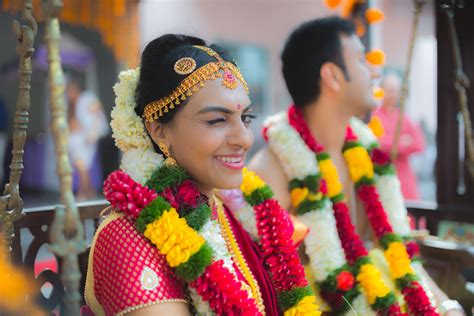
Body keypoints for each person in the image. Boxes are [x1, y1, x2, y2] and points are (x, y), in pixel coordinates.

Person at [84, 34, 320, 316]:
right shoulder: (127, 237)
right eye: (217, 120)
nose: (243, 139)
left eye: (245, 118)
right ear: (159, 130)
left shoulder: (225, 208)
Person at [249, 17, 464, 315]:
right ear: (333, 76)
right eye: (363, 60)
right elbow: (262, 287)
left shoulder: (365, 150)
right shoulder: (272, 170)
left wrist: (449, 305)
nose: (375, 71)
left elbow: (399, 254)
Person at [373, 73, 425, 200]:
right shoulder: (375, 116)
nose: (393, 94)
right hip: (382, 173)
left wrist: (389, 142)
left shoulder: (403, 117)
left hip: (405, 177)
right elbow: (376, 144)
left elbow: (419, 144)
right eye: (390, 90)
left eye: (396, 91)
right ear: (382, 91)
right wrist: (401, 142)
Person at [66, 75, 109, 200]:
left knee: (82, 167)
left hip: (91, 136)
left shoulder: (86, 98)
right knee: (82, 167)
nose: (69, 94)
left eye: (69, 91)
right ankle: (88, 191)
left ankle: (83, 192)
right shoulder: (75, 104)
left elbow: (96, 112)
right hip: (83, 138)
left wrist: (93, 132)